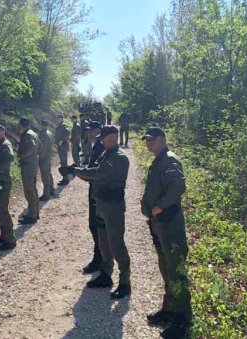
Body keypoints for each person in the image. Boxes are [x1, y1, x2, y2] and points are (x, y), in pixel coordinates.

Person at [62, 126, 131, 299]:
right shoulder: (105, 154)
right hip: (101, 204)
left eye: (104, 137)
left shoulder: (119, 158)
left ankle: (125, 282)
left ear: (114, 136)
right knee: (103, 241)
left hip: (113, 206)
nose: (101, 140)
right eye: (100, 138)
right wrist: (76, 171)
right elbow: (91, 176)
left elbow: (98, 173)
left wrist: (75, 170)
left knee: (116, 243)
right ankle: (106, 275)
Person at [140, 127, 192, 339]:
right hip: (159, 223)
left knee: (176, 269)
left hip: (170, 222)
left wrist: (159, 205)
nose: (148, 143)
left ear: (162, 139)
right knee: (165, 266)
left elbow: (178, 186)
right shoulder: (159, 159)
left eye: (151, 140)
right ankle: (169, 309)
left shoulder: (169, 159)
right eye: (146, 141)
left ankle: (183, 319)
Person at [82, 121, 106, 274]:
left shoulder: (101, 147)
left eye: (93, 131)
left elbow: (95, 173)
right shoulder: (96, 146)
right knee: (95, 226)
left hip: (99, 193)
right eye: (89, 131)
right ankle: (100, 257)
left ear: (99, 131)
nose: (90, 134)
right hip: (95, 191)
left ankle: (100, 259)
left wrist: (77, 171)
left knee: (97, 226)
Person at [0, 125, 16, 251]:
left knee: (2, 210)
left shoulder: (5, 144)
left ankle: (10, 240)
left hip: (3, 181)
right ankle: (4, 235)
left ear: (3, 132)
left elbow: (9, 157)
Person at [17, 117, 41, 224]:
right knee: (33, 188)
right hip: (33, 163)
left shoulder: (27, 135)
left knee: (28, 189)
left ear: (22, 125)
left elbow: (32, 147)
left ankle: (32, 215)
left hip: (28, 165)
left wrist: (22, 156)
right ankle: (35, 212)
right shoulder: (33, 133)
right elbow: (40, 147)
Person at [38, 120, 55, 201]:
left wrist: (40, 158)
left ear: (42, 125)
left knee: (45, 175)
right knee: (48, 173)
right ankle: (51, 190)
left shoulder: (44, 134)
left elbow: (43, 148)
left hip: (44, 157)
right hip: (49, 155)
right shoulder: (50, 132)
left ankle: (46, 194)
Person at [54, 115, 70, 186]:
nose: (56, 120)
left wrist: (61, 140)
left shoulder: (63, 126)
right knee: (63, 162)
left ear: (61, 119)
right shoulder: (60, 126)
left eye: (57, 118)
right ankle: (65, 178)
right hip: (61, 147)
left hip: (63, 146)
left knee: (64, 163)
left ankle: (66, 179)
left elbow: (67, 133)